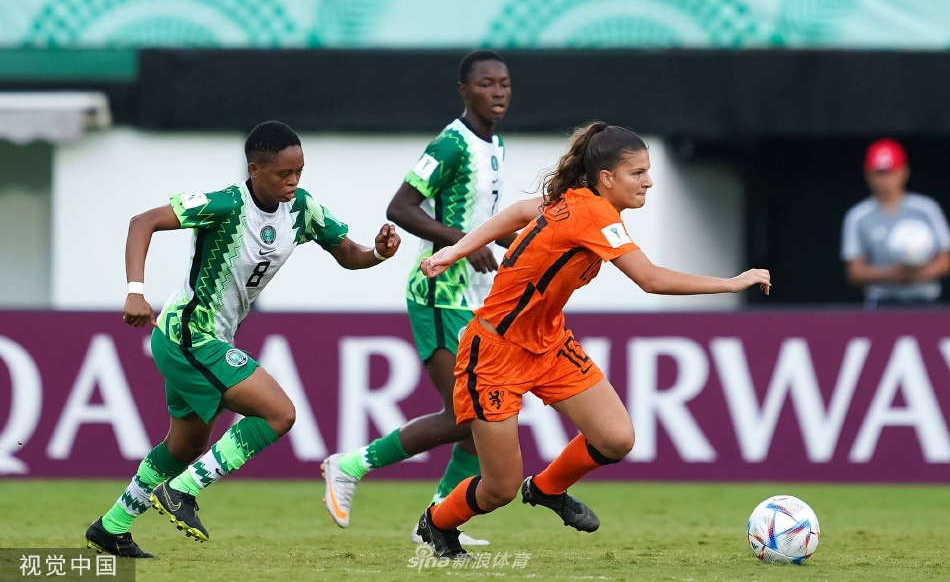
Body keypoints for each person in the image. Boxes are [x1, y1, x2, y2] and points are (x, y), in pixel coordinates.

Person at [413, 122, 771, 559]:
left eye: (648, 170)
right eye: (637, 173)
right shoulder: (593, 213)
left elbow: (522, 211)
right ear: (607, 178)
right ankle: (437, 523)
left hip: (548, 344)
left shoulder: (580, 201)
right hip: (495, 353)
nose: (649, 181)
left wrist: (454, 251)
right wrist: (732, 284)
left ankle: (546, 489)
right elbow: (651, 280)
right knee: (499, 488)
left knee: (616, 438)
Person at [84, 121, 401, 558]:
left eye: (299, 172)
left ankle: (112, 526)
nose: (293, 181)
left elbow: (348, 254)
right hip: (188, 336)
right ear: (254, 170)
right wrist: (135, 291)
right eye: (283, 174)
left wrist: (378, 253)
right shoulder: (225, 204)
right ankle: (182, 491)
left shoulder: (302, 207)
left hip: (206, 339)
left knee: (185, 445)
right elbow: (143, 222)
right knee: (279, 414)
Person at [322, 50, 514, 546]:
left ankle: (434, 522)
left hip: (474, 298)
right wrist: (461, 243)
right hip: (437, 292)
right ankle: (349, 466)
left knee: (480, 422)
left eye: (505, 84)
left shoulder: (496, 145)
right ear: (464, 90)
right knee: (463, 415)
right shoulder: (451, 144)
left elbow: (486, 223)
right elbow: (400, 207)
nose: (498, 92)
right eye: (487, 84)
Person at [841, 139, 950, 308]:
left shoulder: (927, 209)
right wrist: (894, 275)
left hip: (926, 302)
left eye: (890, 171)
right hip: (881, 303)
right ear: (868, 174)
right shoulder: (857, 216)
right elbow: (854, 272)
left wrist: (917, 275)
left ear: (904, 172)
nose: (885, 180)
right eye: (879, 172)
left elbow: (946, 260)